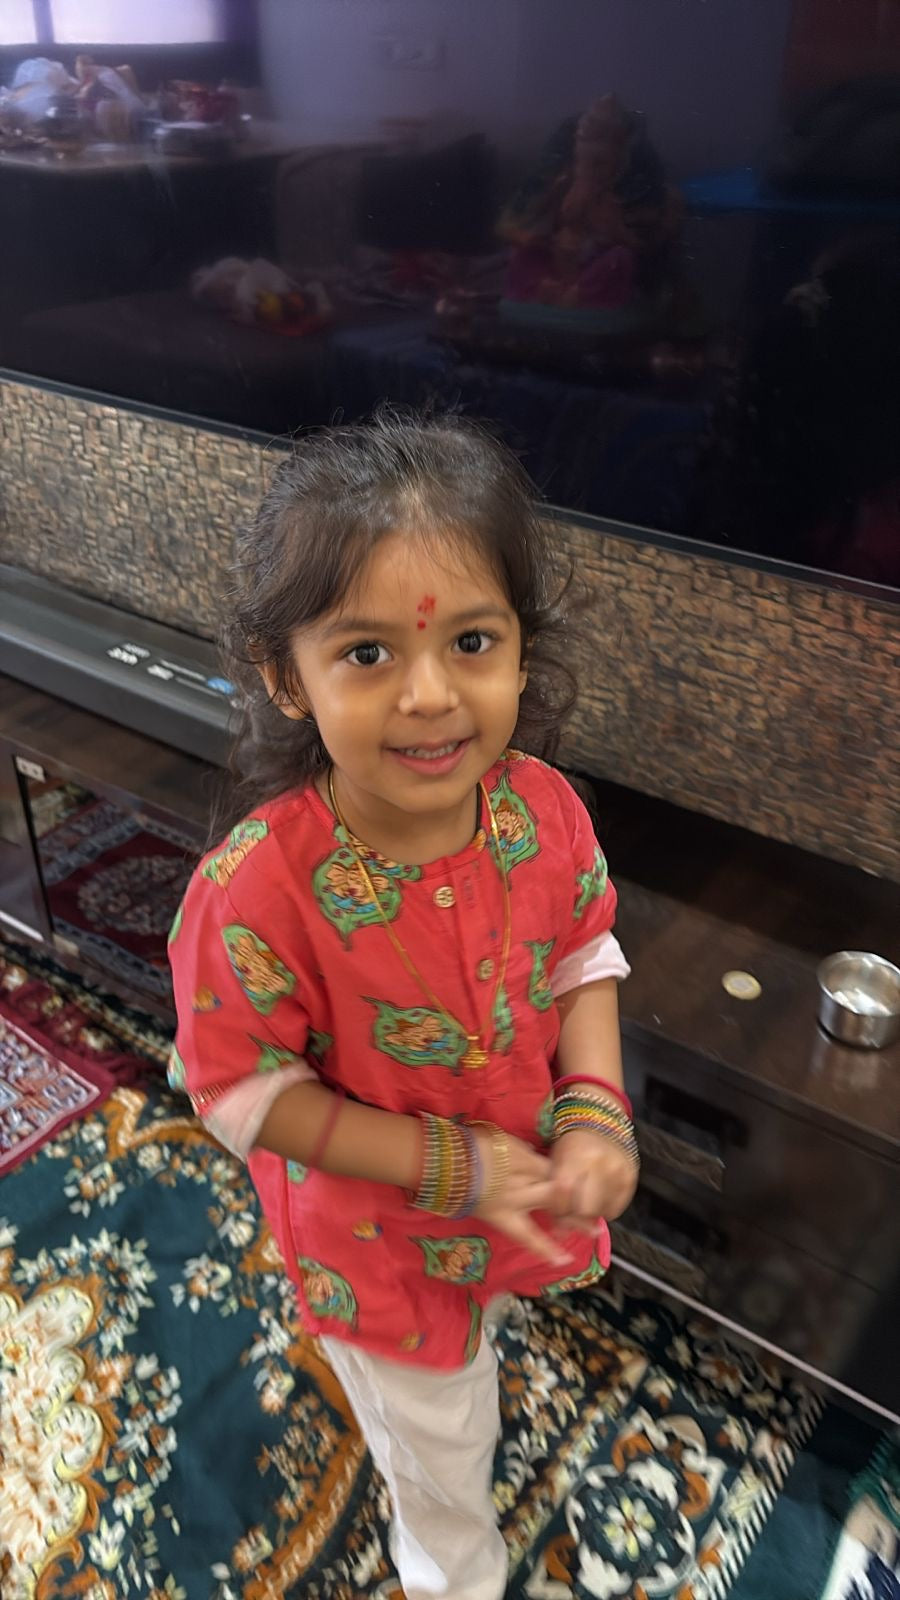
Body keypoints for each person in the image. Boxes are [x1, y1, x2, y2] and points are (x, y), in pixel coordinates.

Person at [168, 411, 638, 1600]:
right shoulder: (256, 891)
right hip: (376, 1248)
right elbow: (239, 1089)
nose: (431, 695)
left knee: (473, 1366)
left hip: (509, 1200)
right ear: (286, 676)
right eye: (368, 653)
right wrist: (447, 1167)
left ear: (522, 649)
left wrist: (594, 1105)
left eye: (470, 640)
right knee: (443, 1450)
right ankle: (449, 1575)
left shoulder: (545, 810)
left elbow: (584, 951)